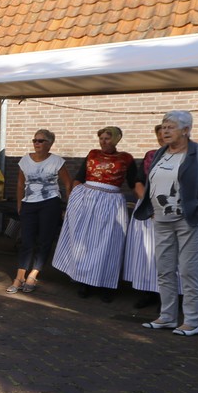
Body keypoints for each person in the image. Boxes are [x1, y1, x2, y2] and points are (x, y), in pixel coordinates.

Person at [133, 111, 198, 336]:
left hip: (189, 222)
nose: (165, 131)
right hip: (161, 220)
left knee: (188, 271)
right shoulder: (161, 153)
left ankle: (192, 322)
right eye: (164, 127)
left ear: (186, 130)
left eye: (171, 127)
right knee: (164, 270)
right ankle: (167, 317)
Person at [53, 126, 136, 300]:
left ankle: (106, 285)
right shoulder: (92, 154)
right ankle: (84, 282)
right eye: (101, 138)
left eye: (107, 138)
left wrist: (145, 201)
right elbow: (79, 178)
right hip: (87, 200)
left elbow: (134, 183)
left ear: (116, 139)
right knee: (86, 241)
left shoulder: (126, 158)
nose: (103, 141)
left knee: (109, 243)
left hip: (112, 203)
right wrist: (74, 200)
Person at [9, 129, 72, 293]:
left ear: (49, 144)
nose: (36, 143)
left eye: (40, 141)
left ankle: (33, 274)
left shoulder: (57, 161)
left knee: (45, 240)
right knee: (26, 240)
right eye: (34, 140)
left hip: (50, 203)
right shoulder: (25, 160)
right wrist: (19, 203)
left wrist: (69, 205)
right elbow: (20, 184)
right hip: (29, 203)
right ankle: (20, 276)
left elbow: (67, 183)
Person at [124, 125, 168, 310]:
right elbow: (138, 182)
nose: (162, 140)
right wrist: (148, 203)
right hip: (148, 209)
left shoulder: (187, 156)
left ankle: (168, 297)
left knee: (167, 254)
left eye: (166, 136)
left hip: (171, 209)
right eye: (160, 137)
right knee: (147, 253)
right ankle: (149, 292)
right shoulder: (151, 156)